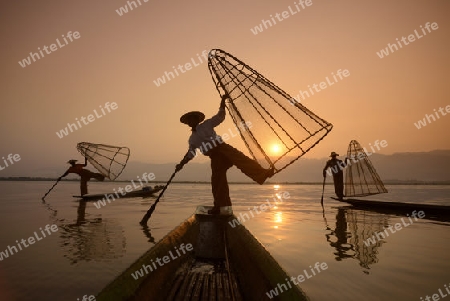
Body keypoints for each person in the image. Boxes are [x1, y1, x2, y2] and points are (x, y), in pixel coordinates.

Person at [176, 94, 275, 214]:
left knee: (241, 160)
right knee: (217, 180)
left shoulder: (207, 124)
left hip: (223, 148)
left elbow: (220, 117)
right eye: (189, 120)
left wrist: (222, 101)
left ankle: (263, 173)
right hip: (215, 156)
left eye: (193, 119)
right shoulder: (192, 139)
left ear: (197, 119)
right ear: (187, 123)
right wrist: (181, 164)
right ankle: (220, 206)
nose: (191, 121)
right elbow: (190, 154)